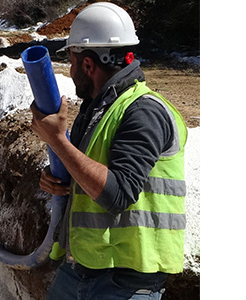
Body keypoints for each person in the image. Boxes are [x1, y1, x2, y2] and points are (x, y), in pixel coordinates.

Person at [29, 2, 189, 299]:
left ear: (88, 64)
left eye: (73, 61)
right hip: (81, 267)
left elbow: (118, 194)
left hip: (126, 282)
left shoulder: (145, 111)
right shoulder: (98, 110)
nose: (72, 69)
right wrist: (55, 178)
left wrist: (58, 141)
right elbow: (84, 171)